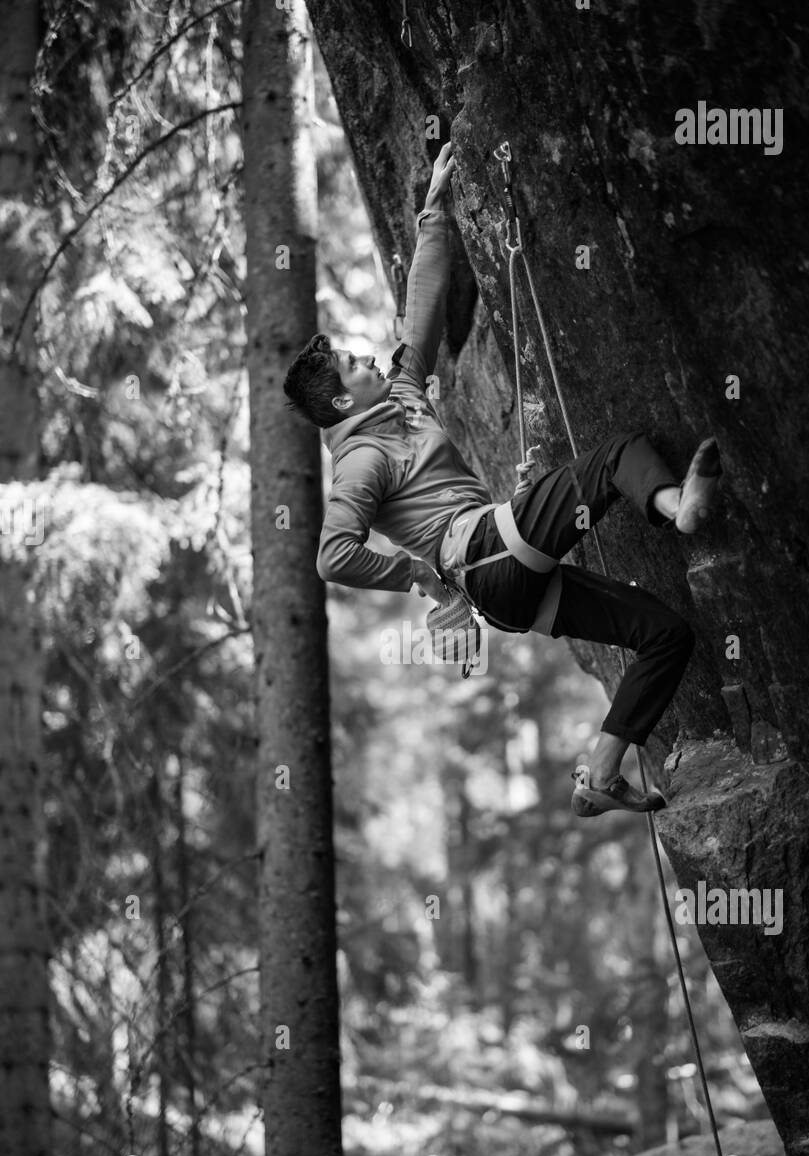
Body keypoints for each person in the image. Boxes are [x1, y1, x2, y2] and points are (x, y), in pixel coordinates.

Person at [282, 143, 722, 816]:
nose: (366, 356)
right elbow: (330, 554)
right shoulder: (360, 462)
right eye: (352, 364)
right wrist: (419, 578)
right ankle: (678, 509)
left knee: (667, 634)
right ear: (344, 402)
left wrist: (433, 207)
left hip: (510, 591)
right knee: (615, 455)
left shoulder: (399, 394)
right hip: (485, 557)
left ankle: (601, 775)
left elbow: (419, 307)